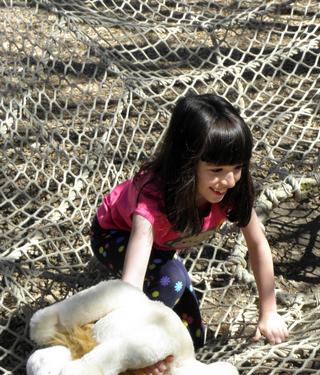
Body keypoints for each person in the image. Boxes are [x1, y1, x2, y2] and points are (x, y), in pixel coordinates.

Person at [90, 93, 288, 374]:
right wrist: (134, 344)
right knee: (172, 277)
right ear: (186, 164)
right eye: (216, 169)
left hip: (163, 245)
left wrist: (268, 312)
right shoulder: (154, 200)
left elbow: (257, 245)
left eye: (237, 168)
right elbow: (131, 285)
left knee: (192, 338)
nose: (228, 180)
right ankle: (112, 345)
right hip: (114, 235)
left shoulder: (231, 192)